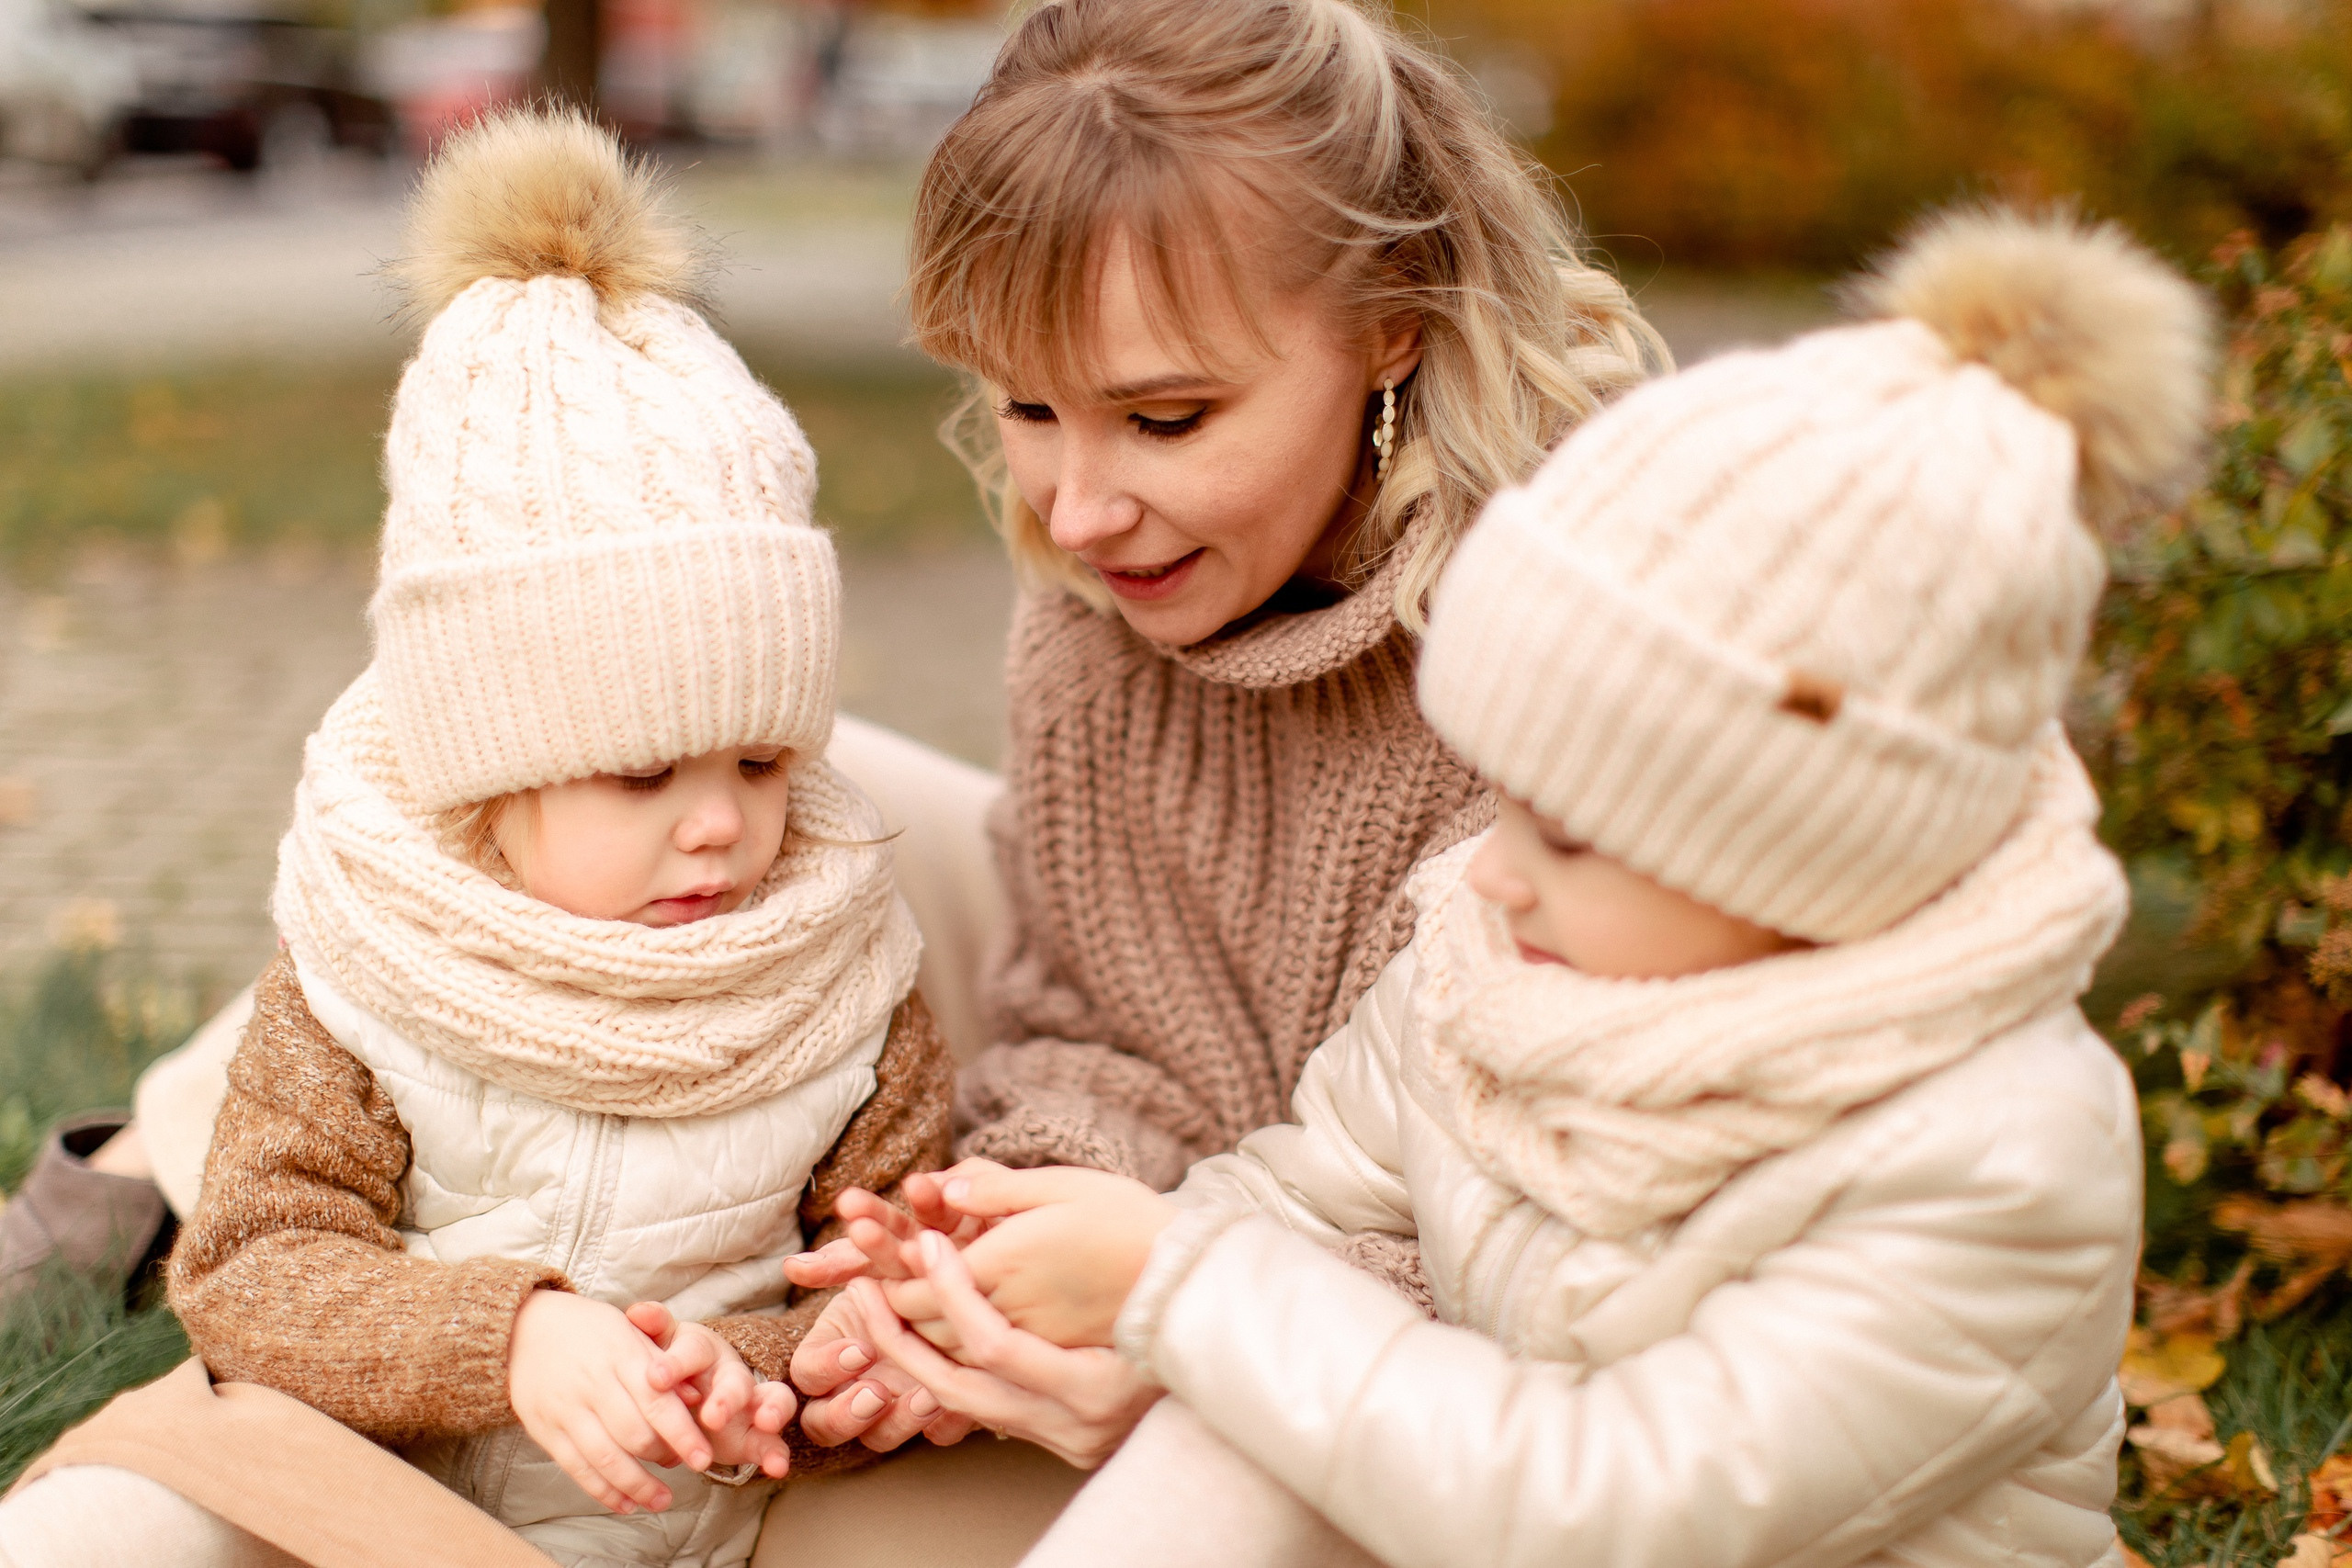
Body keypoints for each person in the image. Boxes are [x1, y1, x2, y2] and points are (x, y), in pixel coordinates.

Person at [4, 0, 1662, 1558]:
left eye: (1164, 418)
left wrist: (1184, 1322)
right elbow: (1104, 1021)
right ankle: (145, 1198)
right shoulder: (1107, 603)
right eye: (1028, 407)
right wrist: (998, 1222)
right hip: (1195, 1200)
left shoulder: (1593, 637)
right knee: (608, 798)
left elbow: (1559, 1222)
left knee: (696, 799)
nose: (1077, 511)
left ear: (1388, 329)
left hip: (1395, 1283)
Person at [822, 209, 2215, 1568]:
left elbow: (1610, 1508)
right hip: (1460, 1504)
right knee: (1229, 1427)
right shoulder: (1498, 947)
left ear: (1799, 858)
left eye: (1566, 833)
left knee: (1247, 1422)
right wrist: (1027, 1271)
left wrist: (1179, 1293)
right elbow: (1304, 1197)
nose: (1486, 868)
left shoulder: (1995, 1163)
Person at [0, 107, 956, 1568]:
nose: (719, 824)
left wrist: (782, 1371)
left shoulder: (844, 982)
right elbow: (252, 1269)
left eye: (762, 759)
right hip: (357, 1512)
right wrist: (507, 1340)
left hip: (711, 1523)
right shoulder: (374, 975)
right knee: (98, 1533)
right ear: (488, 780)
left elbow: (877, 1273)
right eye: (640, 775)